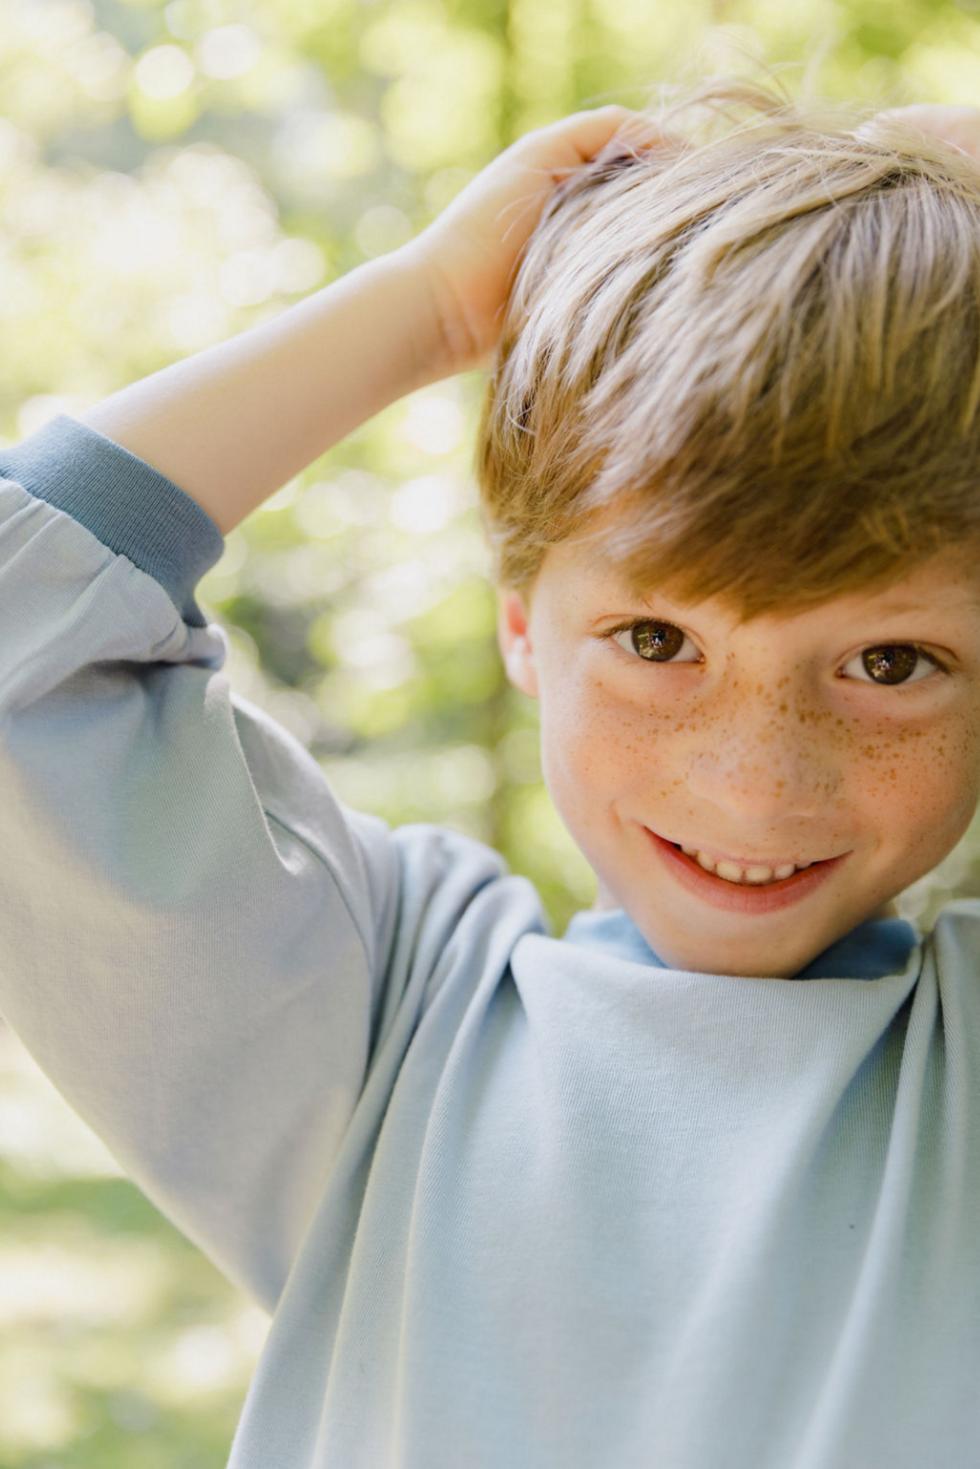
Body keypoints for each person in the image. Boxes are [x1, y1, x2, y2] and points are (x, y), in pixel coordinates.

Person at [1, 75, 979, 1468]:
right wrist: (429, 306)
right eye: (657, 639)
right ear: (522, 622)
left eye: (888, 664)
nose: (758, 784)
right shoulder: (381, 1031)